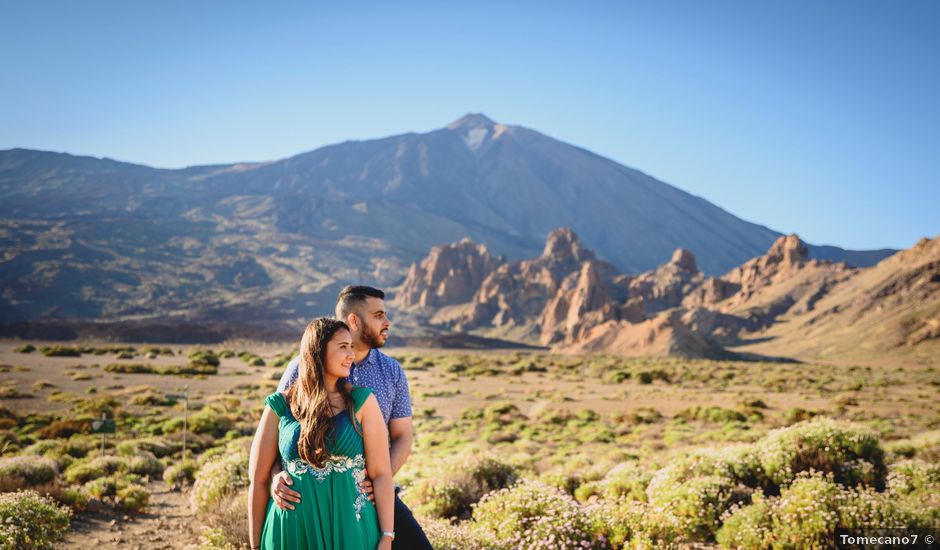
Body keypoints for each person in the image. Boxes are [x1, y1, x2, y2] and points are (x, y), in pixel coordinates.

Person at [270, 285, 432, 549]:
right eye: (379, 315)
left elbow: (403, 436)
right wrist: (277, 476)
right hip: (311, 496)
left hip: (373, 493)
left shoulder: (391, 371)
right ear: (354, 320)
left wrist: (377, 478)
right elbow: (279, 430)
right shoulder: (300, 369)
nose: (387, 322)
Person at [248, 317, 395, 549]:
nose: (351, 355)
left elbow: (381, 474)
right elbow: (258, 479)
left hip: (350, 529)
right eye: (342, 347)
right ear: (317, 351)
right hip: (290, 531)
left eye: (352, 347)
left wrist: (387, 536)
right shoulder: (280, 406)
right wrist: (255, 545)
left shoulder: (362, 401)